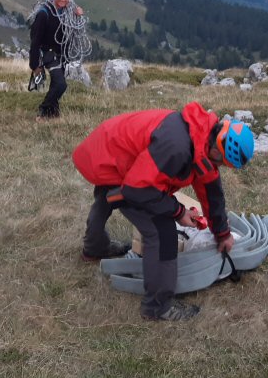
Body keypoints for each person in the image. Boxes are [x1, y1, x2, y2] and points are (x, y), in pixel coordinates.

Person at [72, 102, 254, 321]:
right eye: (222, 162)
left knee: (108, 196)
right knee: (161, 231)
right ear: (217, 148)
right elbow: (137, 189)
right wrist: (178, 212)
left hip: (110, 149)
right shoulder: (176, 147)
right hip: (108, 158)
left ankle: (94, 248)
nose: (220, 167)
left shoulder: (201, 136)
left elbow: (211, 189)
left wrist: (222, 233)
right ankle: (158, 307)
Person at [28, 0, 86, 119]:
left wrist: (77, 16)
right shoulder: (44, 13)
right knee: (61, 85)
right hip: (47, 54)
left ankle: (52, 112)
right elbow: (35, 41)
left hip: (60, 54)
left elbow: (69, 31)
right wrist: (34, 65)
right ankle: (43, 111)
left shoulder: (66, 13)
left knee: (56, 84)